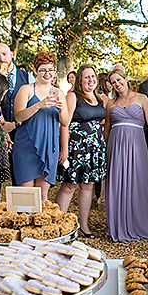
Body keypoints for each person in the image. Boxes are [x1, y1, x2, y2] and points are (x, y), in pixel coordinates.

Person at [104, 67, 148, 240]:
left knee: (138, 181)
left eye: (119, 80)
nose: (117, 84)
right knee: (117, 182)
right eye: (113, 82)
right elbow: (107, 127)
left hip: (137, 145)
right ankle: (118, 223)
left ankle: (138, 222)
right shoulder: (111, 104)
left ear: (126, 79)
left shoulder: (142, 98)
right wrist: (106, 149)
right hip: (116, 146)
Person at [55, 64, 107, 238]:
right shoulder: (73, 97)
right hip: (76, 148)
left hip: (95, 149)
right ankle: (58, 223)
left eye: (93, 76)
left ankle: (83, 225)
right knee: (69, 185)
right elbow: (64, 124)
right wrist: (65, 150)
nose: (91, 80)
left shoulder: (100, 99)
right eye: (86, 77)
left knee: (88, 186)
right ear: (79, 80)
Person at [11, 52, 69, 201]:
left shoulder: (59, 93)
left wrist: (62, 110)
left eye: (50, 70)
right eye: (43, 70)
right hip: (27, 145)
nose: (47, 73)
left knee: (43, 195)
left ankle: (39, 223)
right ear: (36, 71)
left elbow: (65, 122)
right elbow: (18, 117)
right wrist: (39, 105)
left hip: (49, 146)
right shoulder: (26, 89)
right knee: (26, 195)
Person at [0, 42, 31, 137]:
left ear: (11, 54)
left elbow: (32, 104)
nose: (2, 59)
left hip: (23, 131)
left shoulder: (27, 77)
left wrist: (14, 124)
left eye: (4, 54)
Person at [0, 71, 12, 204]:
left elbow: (1, 119)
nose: (4, 96)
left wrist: (7, 135)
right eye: (3, 93)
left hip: (0, 143)